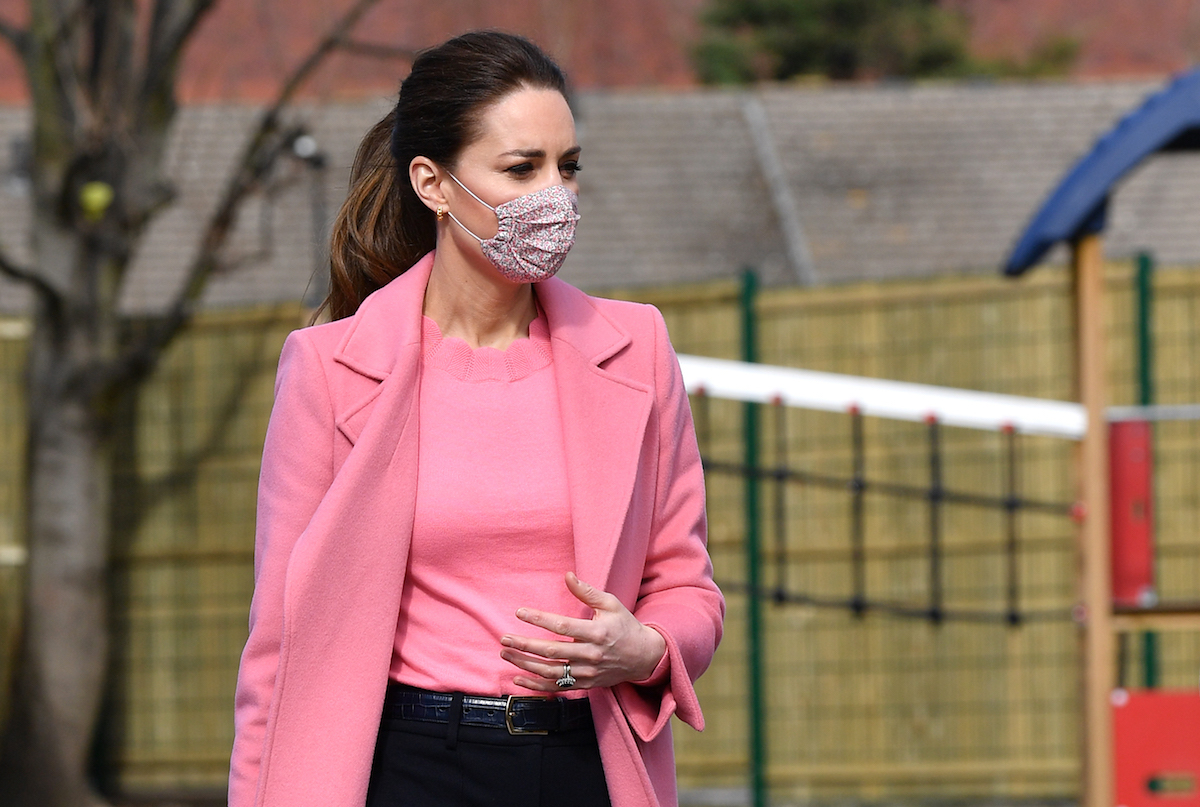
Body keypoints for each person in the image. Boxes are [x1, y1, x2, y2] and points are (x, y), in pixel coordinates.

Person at [228, 30, 724, 807]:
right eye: (522, 168)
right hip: (405, 766)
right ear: (432, 183)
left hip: (586, 765)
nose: (554, 195)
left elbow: (687, 584)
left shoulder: (637, 349)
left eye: (569, 167)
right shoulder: (328, 368)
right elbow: (279, 640)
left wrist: (647, 646)